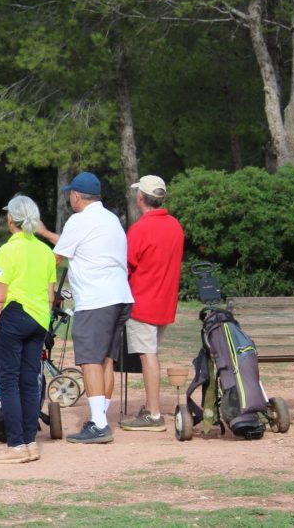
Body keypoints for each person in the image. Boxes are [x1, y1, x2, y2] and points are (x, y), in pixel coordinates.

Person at [36, 171, 134, 444]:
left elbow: (56, 257)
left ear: (76, 196)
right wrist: (45, 233)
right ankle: (99, 418)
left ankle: (100, 425)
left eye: (71, 194)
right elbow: (73, 244)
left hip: (96, 300)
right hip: (120, 296)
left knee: (90, 359)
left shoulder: (78, 221)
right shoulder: (111, 219)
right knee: (106, 360)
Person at [0, 195, 57, 463]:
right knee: (29, 381)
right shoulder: (45, 251)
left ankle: (16, 445)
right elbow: (50, 296)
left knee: (8, 380)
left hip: (14, 316)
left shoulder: (8, 250)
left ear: (10, 219)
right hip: (39, 320)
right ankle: (30, 442)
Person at [120, 175, 184, 432]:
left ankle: (154, 414)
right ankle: (150, 407)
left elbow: (126, 265)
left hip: (143, 302)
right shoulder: (175, 226)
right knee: (151, 354)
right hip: (165, 302)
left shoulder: (140, 229)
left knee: (148, 357)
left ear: (141, 199)